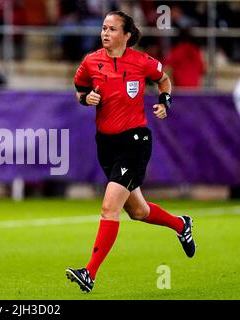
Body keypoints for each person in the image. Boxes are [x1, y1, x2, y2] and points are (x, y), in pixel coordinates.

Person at [66, 11, 196, 293]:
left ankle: (89, 273)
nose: (105, 33)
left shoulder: (141, 62)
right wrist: (86, 98)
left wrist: (165, 101)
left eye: (112, 29)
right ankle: (180, 225)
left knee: (108, 207)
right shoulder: (91, 61)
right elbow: (78, 90)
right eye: (103, 28)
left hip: (134, 142)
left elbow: (165, 80)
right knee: (138, 211)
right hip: (106, 144)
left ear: (127, 35)